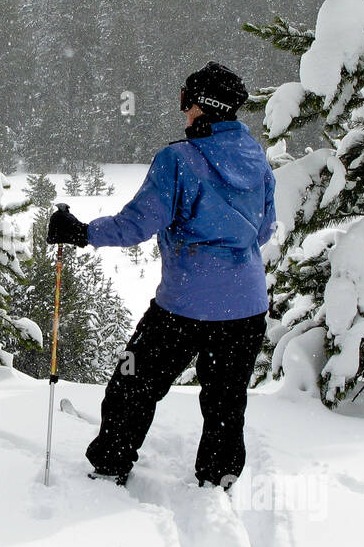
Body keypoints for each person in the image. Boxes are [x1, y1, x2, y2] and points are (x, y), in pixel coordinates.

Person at [46, 61, 276, 489]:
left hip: (182, 307)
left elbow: (136, 224)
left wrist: (81, 233)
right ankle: (219, 476)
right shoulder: (257, 161)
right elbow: (264, 229)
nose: (183, 111)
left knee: (132, 382)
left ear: (201, 106)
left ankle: (111, 464)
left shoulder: (178, 160)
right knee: (226, 400)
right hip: (245, 310)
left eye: (185, 100)